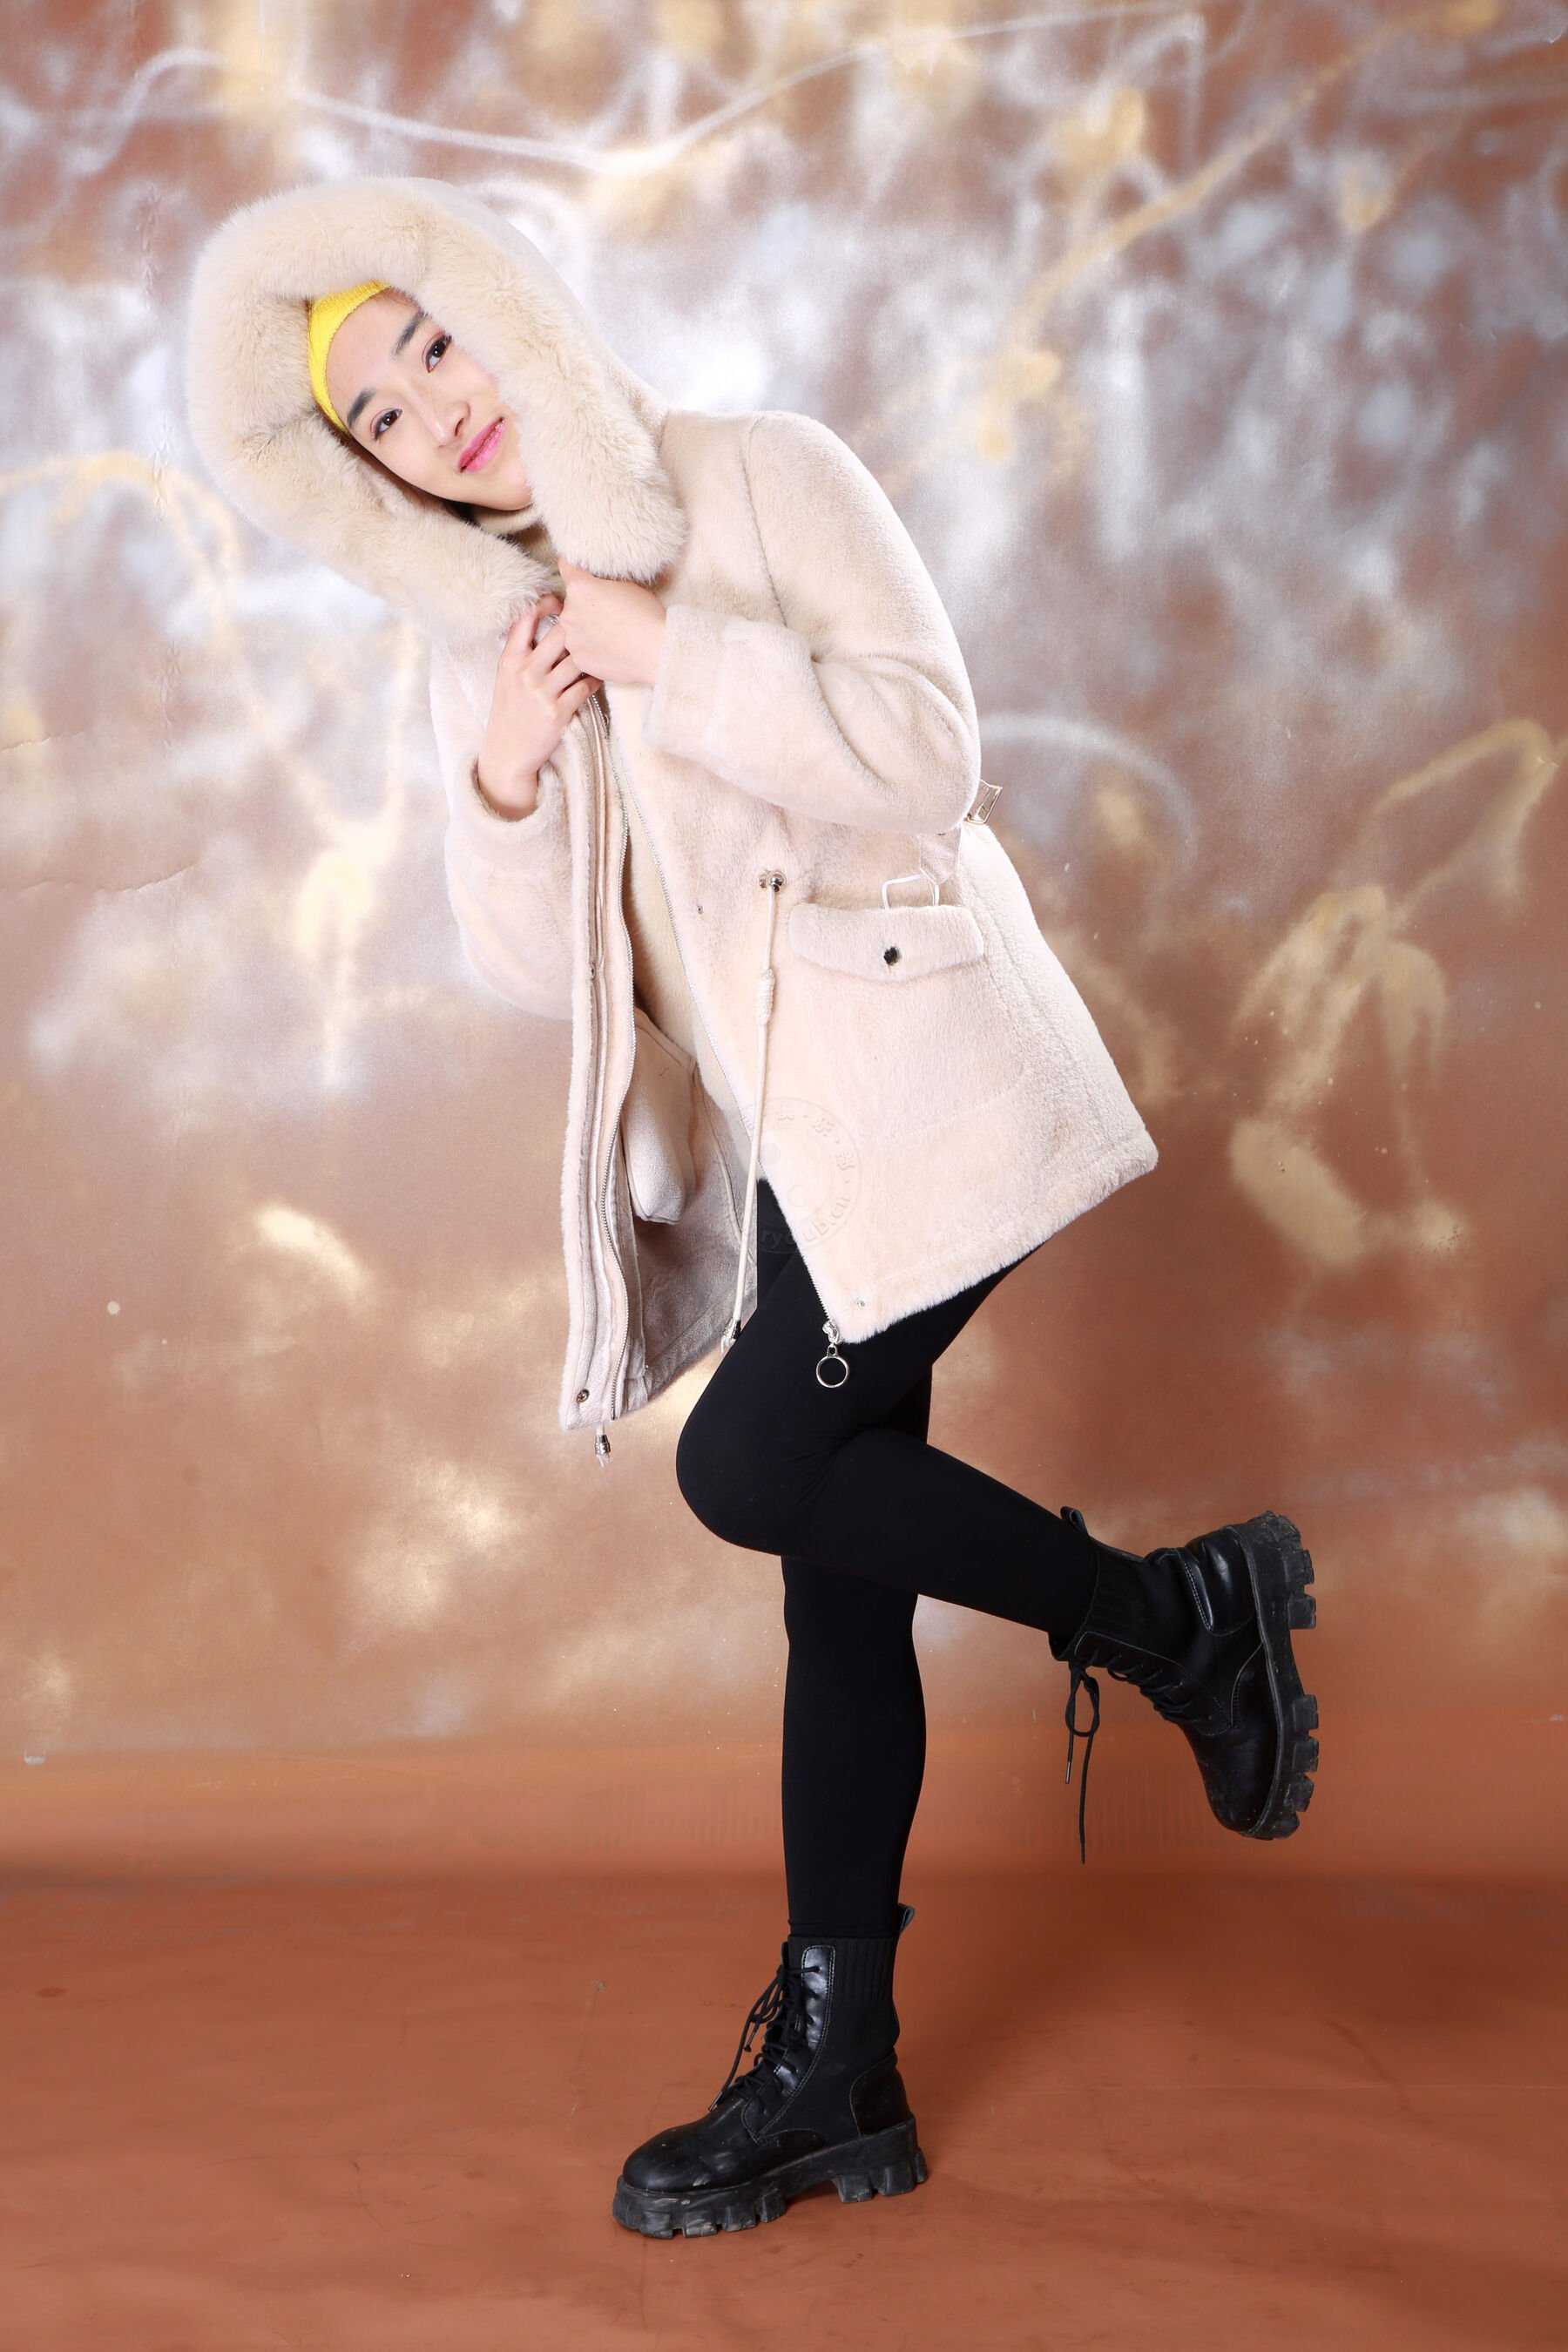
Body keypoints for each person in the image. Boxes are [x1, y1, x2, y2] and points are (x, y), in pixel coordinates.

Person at [184, 174, 1319, 2242]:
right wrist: (509, 770)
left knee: (754, 1467)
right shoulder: (487, 638)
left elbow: (928, 755)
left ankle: (1173, 1618)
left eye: (433, 346)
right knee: (832, 1569)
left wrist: (669, 654)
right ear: (372, 480)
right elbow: (548, 975)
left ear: (507, 314)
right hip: (801, 1141)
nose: (437, 413)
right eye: (381, 419)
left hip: (930, 1080)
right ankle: (839, 2072)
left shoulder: (762, 477)